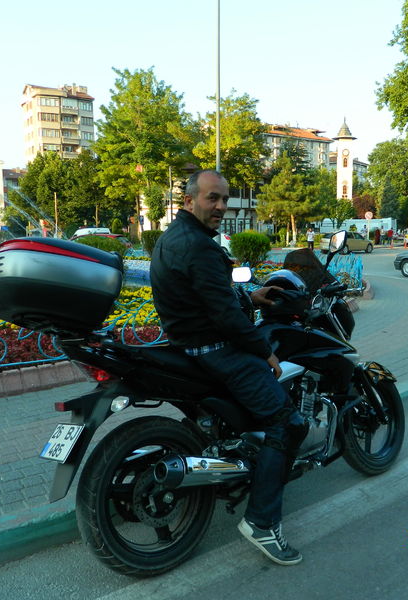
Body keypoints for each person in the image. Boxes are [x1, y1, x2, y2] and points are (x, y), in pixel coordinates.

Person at [149, 169, 305, 566]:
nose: (221, 206)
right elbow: (224, 317)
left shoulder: (173, 238)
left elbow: (205, 297)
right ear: (189, 201)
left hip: (190, 346)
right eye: (212, 198)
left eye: (224, 199)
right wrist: (264, 352)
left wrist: (251, 296)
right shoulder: (199, 246)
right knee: (287, 423)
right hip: (217, 350)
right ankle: (262, 523)